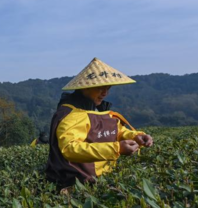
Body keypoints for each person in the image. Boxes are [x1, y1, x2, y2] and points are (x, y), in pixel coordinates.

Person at [45, 57, 154, 189]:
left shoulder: (97, 109)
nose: (105, 93)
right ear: (85, 87)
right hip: (78, 181)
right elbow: (69, 148)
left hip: (101, 176)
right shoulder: (72, 116)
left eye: (108, 88)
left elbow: (116, 131)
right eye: (101, 88)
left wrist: (135, 137)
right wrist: (116, 149)